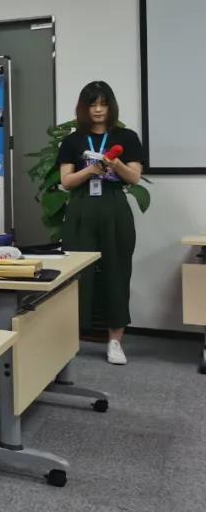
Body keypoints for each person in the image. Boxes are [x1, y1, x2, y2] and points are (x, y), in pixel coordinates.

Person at [57, 81, 142, 365]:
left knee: (118, 271)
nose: (97, 110)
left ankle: (115, 341)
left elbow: (134, 177)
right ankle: (69, 338)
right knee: (76, 273)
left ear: (110, 106)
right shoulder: (72, 141)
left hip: (114, 206)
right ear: (83, 108)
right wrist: (91, 170)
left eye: (103, 103)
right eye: (92, 104)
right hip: (82, 207)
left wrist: (115, 164)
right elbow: (66, 181)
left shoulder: (126, 137)